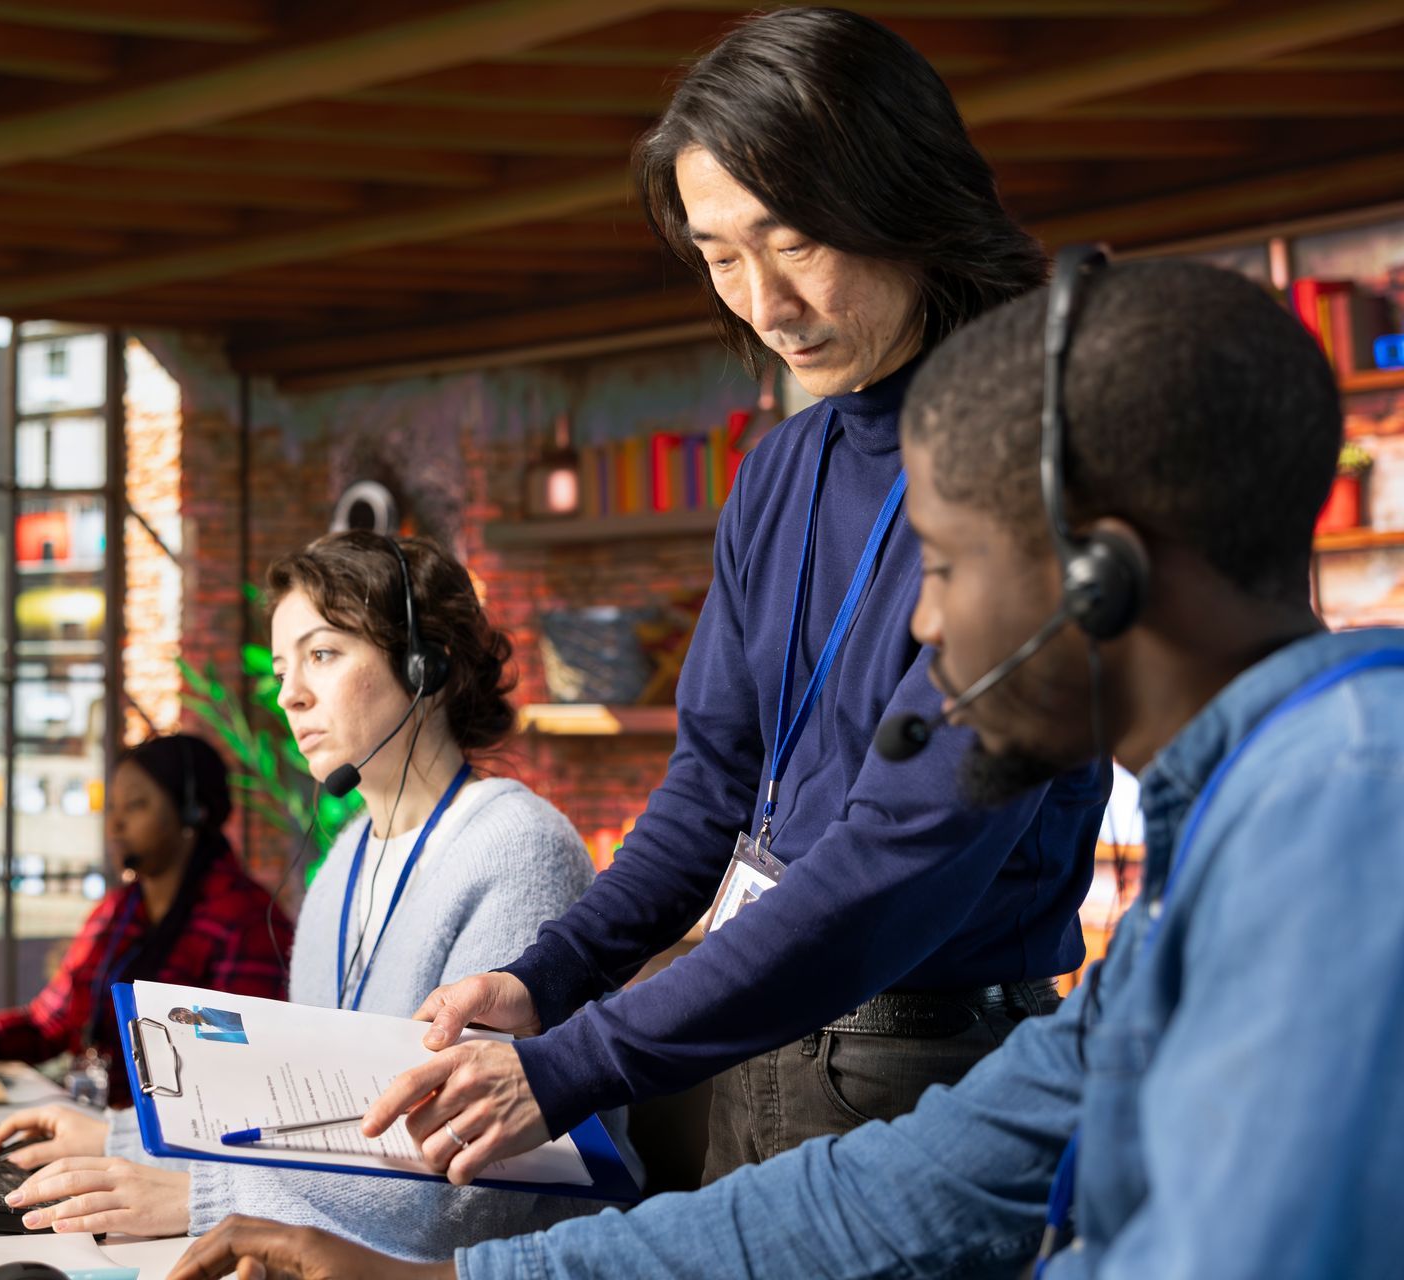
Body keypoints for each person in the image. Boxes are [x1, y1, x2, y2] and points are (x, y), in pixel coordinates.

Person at [168, 255, 1404, 1279]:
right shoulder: (1253, 830)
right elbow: (906, 1186)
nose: (923, 629)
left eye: (947, 565)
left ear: (1100, 574)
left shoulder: (1347, 825)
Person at [364, 5, 1103, 1188]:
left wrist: (572, 1060)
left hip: (936, 1060)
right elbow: (713, 780)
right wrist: (548, 976)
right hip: (754, 1045)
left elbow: (904, 859)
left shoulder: (1028, 468)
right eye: (719, 257)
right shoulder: (780, 470)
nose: (764, 303)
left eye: (796, 241)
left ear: (904, 200)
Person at [0, 533, 619, 1258]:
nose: (290, 694)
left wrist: (201, 1196)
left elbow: (470, 1190)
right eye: (284, 667)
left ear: (424, 664)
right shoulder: (345, 861)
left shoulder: (518, 847)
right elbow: (313, 1123)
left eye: (322, 654)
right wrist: (125, 1140)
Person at [0, 734, 286, 1106]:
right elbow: (46, 1026)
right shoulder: (119, 912)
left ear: (191, 812)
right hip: (96, 1123)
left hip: (170, 1155)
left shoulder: (246, 920)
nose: (115, 825)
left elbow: (235, 1063)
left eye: (136, 805)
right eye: (113, 807)